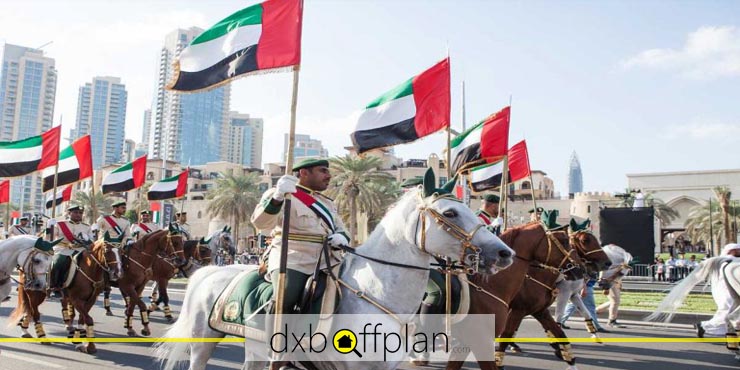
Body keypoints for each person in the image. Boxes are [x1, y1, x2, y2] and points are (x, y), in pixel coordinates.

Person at [251, 158, 350, 315]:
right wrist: (278, 197)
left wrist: (342, 237)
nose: (329, 176)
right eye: (323, 171)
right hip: (293, 258)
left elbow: (341, 228)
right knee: (286, 296)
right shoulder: (282, 194)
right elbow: (260, 223)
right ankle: (274, 338)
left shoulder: (327, 203)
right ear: (304, 173)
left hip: (328, 260)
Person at [696, 243, 740, 338]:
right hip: (727, 289)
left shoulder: (722, 261)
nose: (739, 251)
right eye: (738, 250)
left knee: (728, 310)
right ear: (732, 251)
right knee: (728, 310)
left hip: (723, 289)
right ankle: (704, 326)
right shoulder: (730, 261)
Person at [48, 204, 93, 291]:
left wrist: (85, 242)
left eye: (80, 213)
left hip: (80, 250)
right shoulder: (60, 225)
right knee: (58, 263)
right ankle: (55, 284)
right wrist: (49, 227)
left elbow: (91, 240)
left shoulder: (86, 227)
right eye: (75, 212)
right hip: (63, 249)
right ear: (69, 213)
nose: (78, 214)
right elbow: (50, 239)